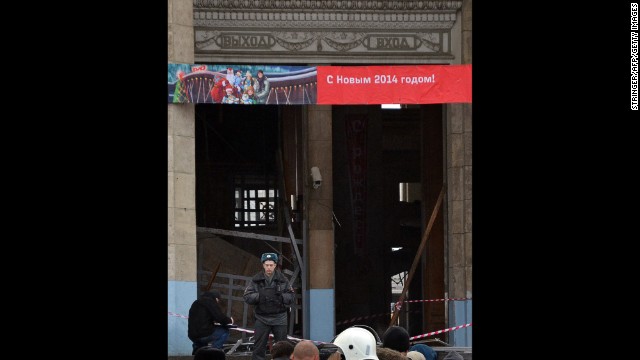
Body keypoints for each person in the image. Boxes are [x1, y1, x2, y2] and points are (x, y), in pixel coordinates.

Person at [243, 252, 295, 360]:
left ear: (275, 265)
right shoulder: (256, 280)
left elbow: (291, 296)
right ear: (263, 265)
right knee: (258, 348)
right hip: (262, 318)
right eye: (267, 265)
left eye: (271, 265)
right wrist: (260, 296)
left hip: (280, 318)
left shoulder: (283, 279)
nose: (269, 268)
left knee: (282, 347)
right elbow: (247, 296)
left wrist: (280, 297)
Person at [188, 290, 234, 355]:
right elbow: (220, 318)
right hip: (203, 333)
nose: (217, 302)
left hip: (192, 334)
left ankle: (196, 354)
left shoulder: (196, 302)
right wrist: (230, 321)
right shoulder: (211, 302)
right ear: (216, 298)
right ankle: (214, 352)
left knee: (200, 344)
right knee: (224, 331)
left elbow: (202, 317)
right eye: (218, 300)